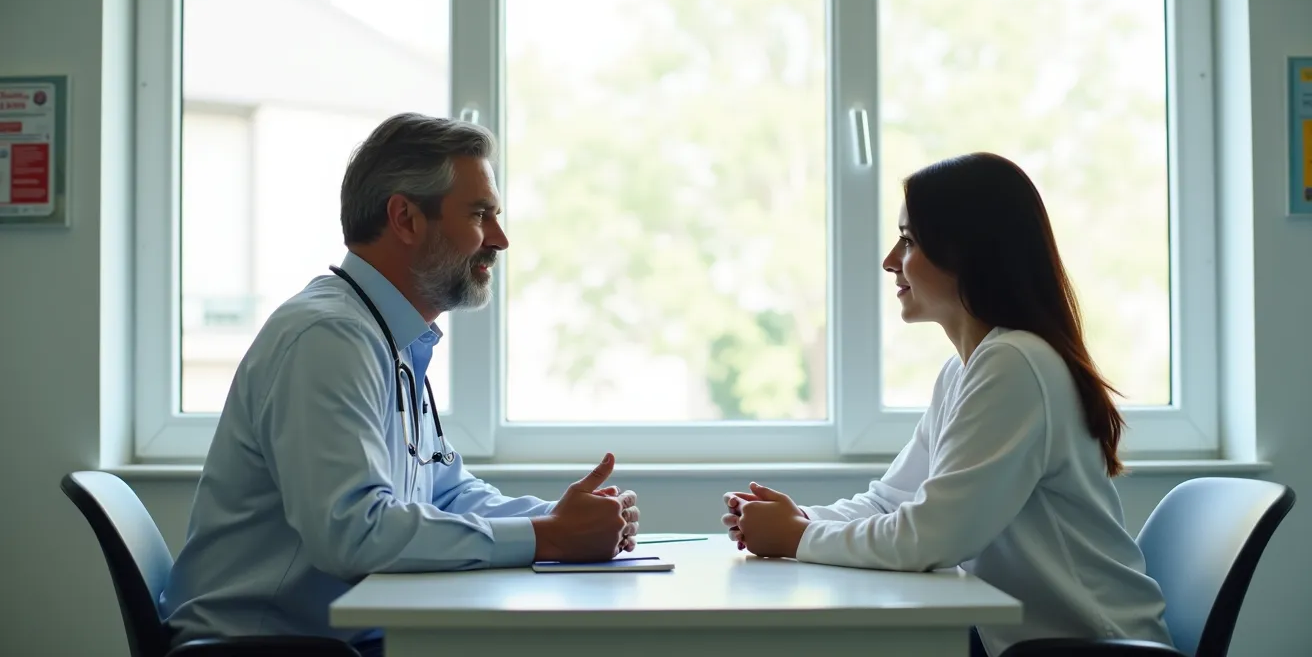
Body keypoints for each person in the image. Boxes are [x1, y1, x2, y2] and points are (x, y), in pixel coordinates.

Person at [160, 113, 640, 656]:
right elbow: (353, 533)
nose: (500, 240)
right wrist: (549, 537)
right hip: (263, 648)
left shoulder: (388, 335)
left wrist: (560, 516)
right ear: (406, 219)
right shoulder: (330, 338)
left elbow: (447, 493)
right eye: (481, 215)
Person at [719, 152, 1173, 657]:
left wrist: (798, 538)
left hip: (1097, 649)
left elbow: (929, 539)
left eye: (909, 241)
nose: (891, 260)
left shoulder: (1014, 364)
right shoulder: (969, 367)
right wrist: (800, 517)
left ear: (966, 254)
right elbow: (893, 502)